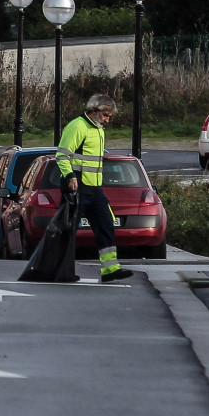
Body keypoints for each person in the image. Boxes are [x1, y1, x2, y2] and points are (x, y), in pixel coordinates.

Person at [57, 94, 133, 283]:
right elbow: (62, 155)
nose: (107, 120)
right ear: (94, 111)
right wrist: (70, 176)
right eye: (106, 115)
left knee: (106, 225)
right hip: (77, 188)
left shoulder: (98, 129)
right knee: (68, 231)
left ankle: (110, 270)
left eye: (109, 116)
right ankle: (61, 270)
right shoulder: (77, 126)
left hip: (95, 189)